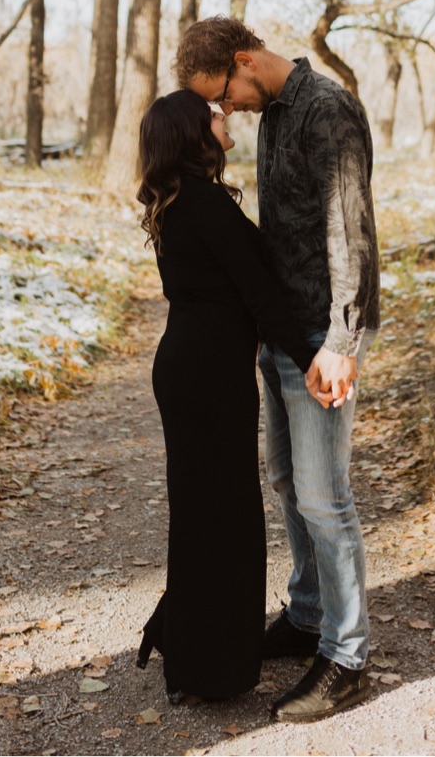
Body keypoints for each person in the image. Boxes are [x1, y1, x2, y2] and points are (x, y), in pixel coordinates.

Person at [175, 17, 381, 724]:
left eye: (223, 96)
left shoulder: (327, 109)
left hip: (323, 336)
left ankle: (347, 655)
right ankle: (307, 613)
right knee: (289, 480)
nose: (225, 111)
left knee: (326, 496)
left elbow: (350, 227)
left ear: (244, 61)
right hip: (283, 333)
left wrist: (341, 340)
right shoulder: (273, 117)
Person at [134, 90, 315, 703]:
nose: (225, 115)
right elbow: (260, 296)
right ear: (193, 132)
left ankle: (189, 642)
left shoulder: (179, 201)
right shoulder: (205, 204)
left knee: (203, 514)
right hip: (207, 378)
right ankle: (211, 667)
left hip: (191, 369)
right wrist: (316, 360)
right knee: (225, 517)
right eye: (214, 111)